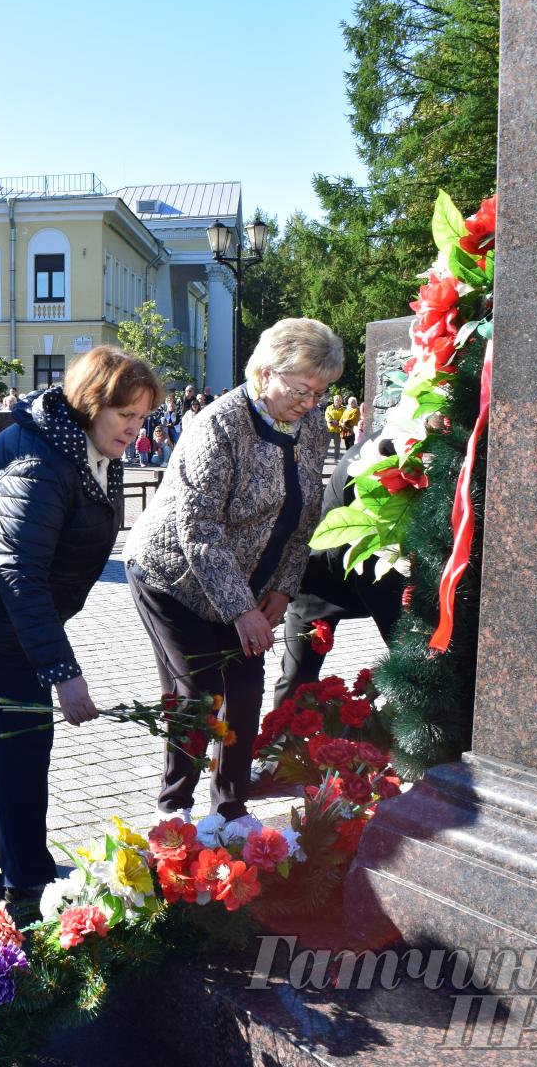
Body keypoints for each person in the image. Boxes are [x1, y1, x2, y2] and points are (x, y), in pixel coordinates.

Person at [0, 346, 163, 913]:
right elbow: (19, 573)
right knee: (25, 734)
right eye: (125, 416)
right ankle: (28, 881)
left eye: (142, 417)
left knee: (9, 724)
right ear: (90, 404)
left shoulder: (83, 444)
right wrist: (63, 673)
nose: (135, 430)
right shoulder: (38, 459)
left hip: (12, 607)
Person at [122, 317, 342, 819]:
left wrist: (282, 592)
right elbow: (198, 530)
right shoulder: (219, 425)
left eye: (321, 392)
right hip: (171, 576)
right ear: (267, 373)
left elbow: (305, 519)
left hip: (248, 585)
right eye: (303, 389)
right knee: (198, 691)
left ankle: (231, 811)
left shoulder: (310, 427)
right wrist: (243, 610)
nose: (311, 404)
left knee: (244, 690)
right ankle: (173, 809)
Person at [270, 431, 406, 711]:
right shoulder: (380, 454)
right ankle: (279, 749)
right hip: (326, 573)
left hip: (378, 571)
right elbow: (370, 546)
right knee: (298, 676)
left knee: (413, 660)